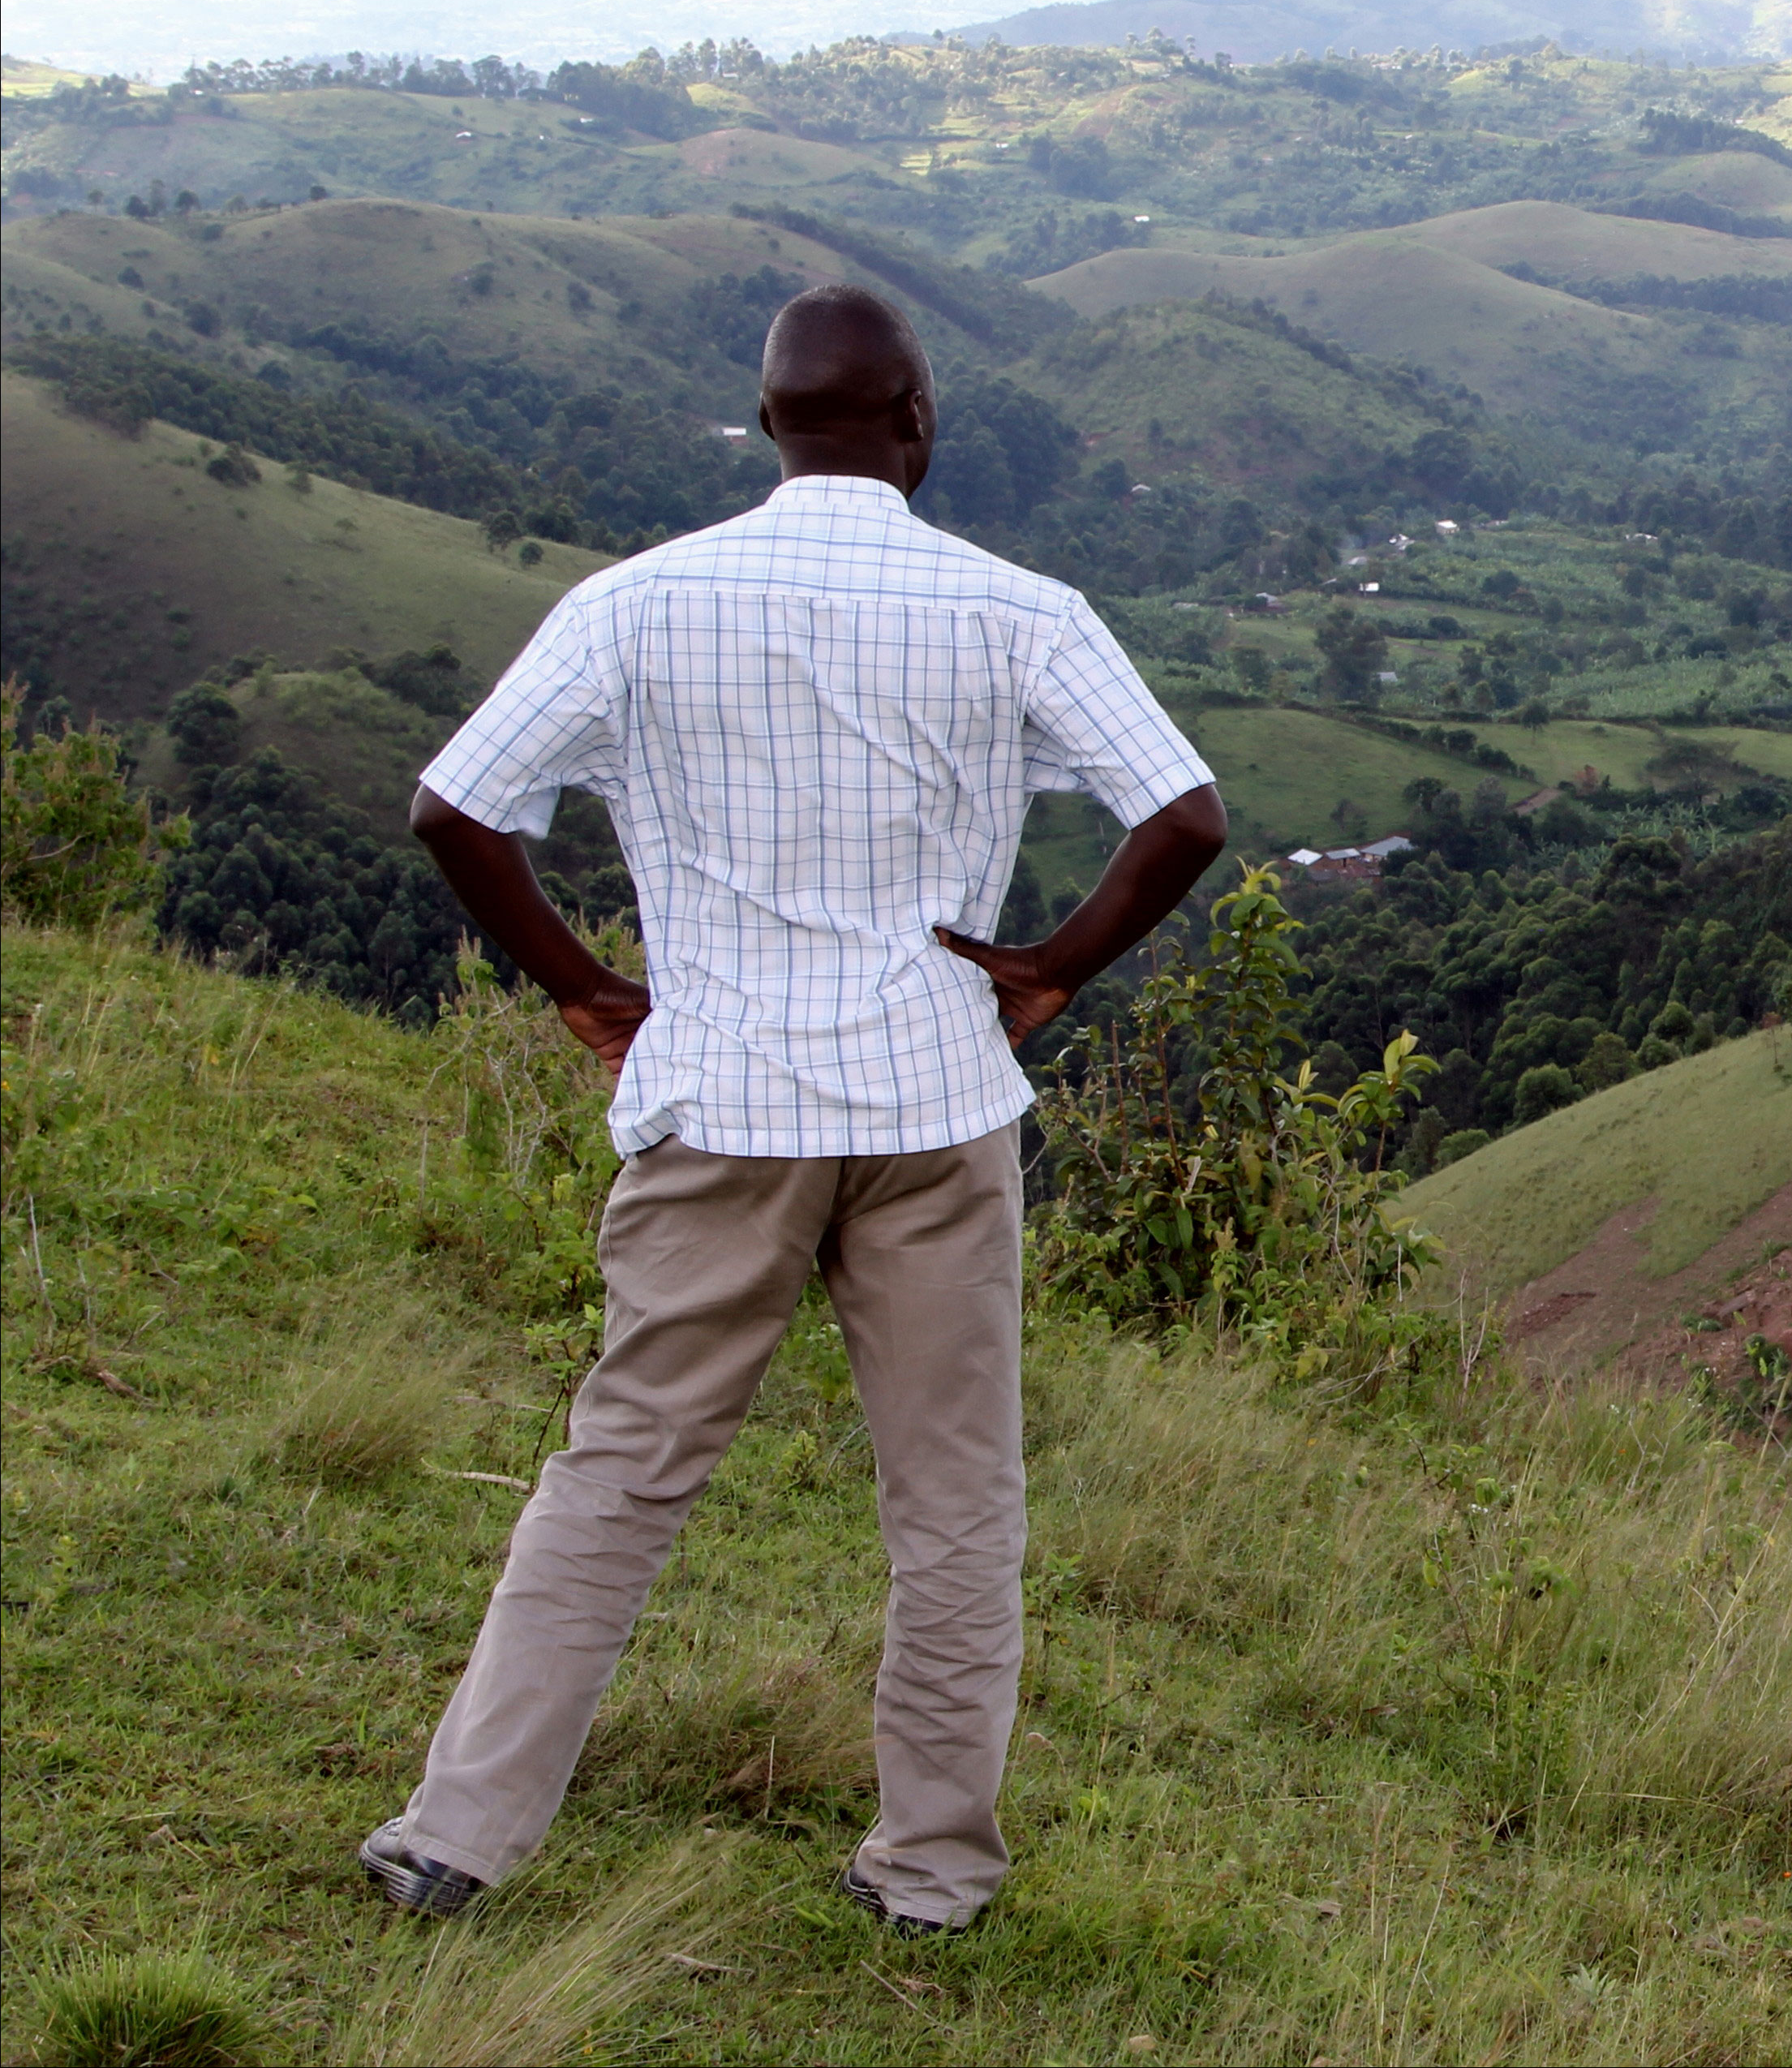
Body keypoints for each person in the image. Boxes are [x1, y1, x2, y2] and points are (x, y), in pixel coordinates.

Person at [364, 283, 1224, 1934]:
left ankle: (457, 1838)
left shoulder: (633, 603)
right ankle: (932, 1873)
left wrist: (583, 986)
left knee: (622, 1467)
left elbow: (454, 809)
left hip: (723, 1093)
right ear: (917, 423)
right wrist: (1051, 965)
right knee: (955, 1499)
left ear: (769, 425)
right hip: (935, 1098)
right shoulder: (1018, 608)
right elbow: (1182, 815)